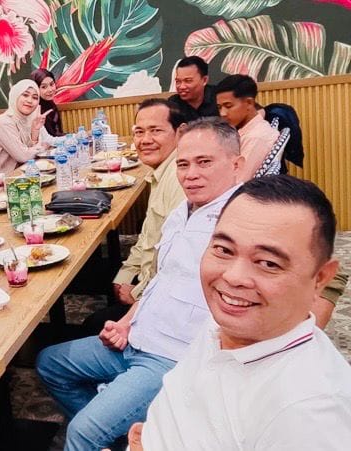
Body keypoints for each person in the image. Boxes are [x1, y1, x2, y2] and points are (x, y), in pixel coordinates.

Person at [37, 117, 244, 451]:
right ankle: (123, 437)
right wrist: (126, 321)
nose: (190, 174)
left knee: (81, 433)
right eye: (183, 164)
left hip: (171, 357)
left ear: (236, 164)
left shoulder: (240, 224)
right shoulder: (183, 211)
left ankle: (102, 431)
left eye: (204, 162)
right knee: (50, 363)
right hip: (137, 337)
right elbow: (163, 278)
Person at [133, 176, 351, 450]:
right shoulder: (226, 324)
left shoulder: (307, 415)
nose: (233, 277)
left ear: (320, 278)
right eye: (224, 249)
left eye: (268, 263)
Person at [82, 99, 187, 335]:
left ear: (180, 132)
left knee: (91, 324)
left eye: (155, 131)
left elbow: (176, 263)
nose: (145, 140)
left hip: (164, 303)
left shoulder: (180, 178)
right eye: (139, 132)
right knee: (96, 276)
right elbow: (148, 238)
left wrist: (138, 293)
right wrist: (126, 275)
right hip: (148, 281)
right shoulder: (162, 171)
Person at [0, 79, 52, 184]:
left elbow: (29, 156)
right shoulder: (3, 122)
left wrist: (35, 131)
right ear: (15, 96)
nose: (30, 100)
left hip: (11, 178)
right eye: (25, 95)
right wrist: (43, 146)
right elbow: (23, 156)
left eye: (35, 97)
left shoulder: (26, 120)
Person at [215, 74, 280, 181]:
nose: (223, 113)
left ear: (249, 103)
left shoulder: (256, 137)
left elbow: (239, 182)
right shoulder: (248, 131)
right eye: (219, 107)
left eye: (228, 106)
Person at [168, 56, 218, 122]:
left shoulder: (218, 98)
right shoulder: (173, 104)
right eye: (178, 81)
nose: (182, 87)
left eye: (188, 81)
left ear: (204, 80)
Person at [31, 68, 64, 136]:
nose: (50, 90)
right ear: (35, 88)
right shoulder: (34, 109)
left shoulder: (51, 104)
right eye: (44, 87)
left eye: (51, 84)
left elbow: (57, 133)